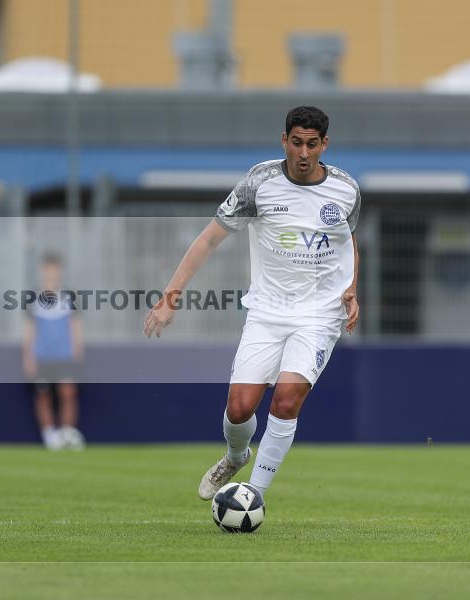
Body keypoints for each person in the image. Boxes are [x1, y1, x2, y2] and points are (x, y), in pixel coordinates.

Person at [143, 106, 360, 500]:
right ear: (284, 141)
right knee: (241, 407)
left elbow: (349, 243)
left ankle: (251, 495)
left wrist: (351, 289)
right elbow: (209, 238)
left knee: (287, 399)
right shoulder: (259, 182)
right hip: (266, 310)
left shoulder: (346, 189)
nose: (304, 153)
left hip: (319, 314)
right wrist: (169, 298)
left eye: (312, 145)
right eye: (297, 143)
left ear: (324, 145)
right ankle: (235, 455)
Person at [22, 252, 86, 450]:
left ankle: (67, 431)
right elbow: (29, 329)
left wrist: (78, 348)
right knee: (43, 395)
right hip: (42, 356)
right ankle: (50, 434)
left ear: (60, 270)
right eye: (48, 269)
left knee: (68, 392)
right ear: (42, 270)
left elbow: (75, 324)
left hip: (64, 355)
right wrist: (28, 356)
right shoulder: (33, 297)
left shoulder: (68, 296)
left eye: (55, 269)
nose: (51, 273)